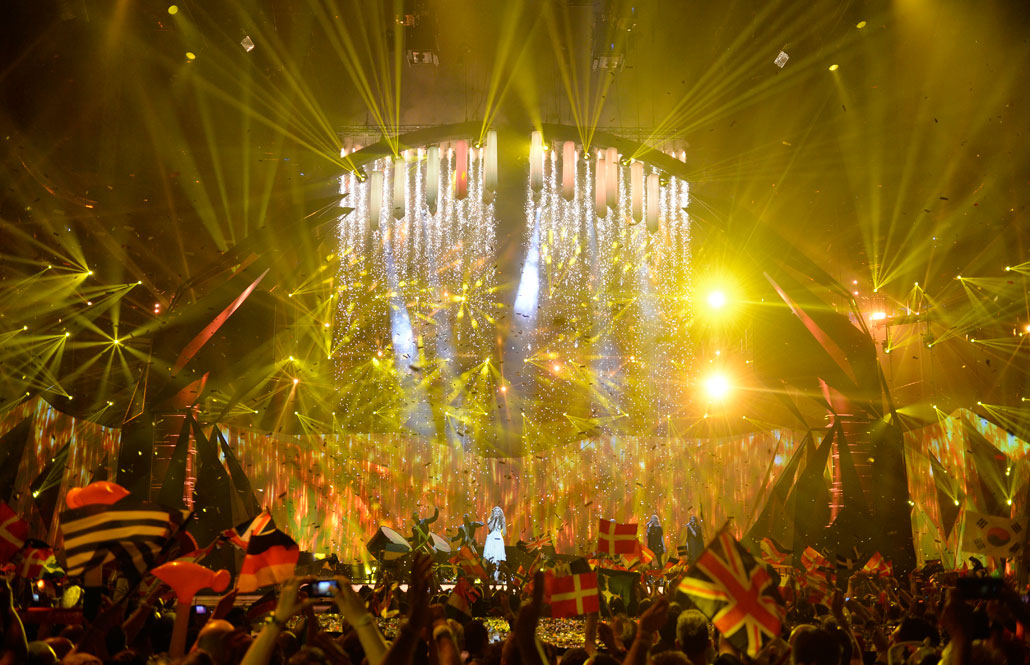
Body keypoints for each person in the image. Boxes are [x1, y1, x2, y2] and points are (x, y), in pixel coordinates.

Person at [482, 506, 506, 579]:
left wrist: (504, 524)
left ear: (500, 513)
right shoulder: (490, 519)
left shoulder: (502, 520)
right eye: (495, 511)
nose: (497, 512)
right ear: (493, 512)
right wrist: (494, 520)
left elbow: (504, 533)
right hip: (492, 538)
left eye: (498, 511)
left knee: (498, 558)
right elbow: (490, 528)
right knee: (491, 557)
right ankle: (489, 574)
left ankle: (497, 576)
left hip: (498, 538)